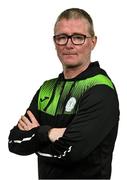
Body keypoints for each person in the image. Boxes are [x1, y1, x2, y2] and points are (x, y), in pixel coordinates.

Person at [8, 8, 119, 179]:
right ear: (55, 42)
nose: (69, 44)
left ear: (93, 42)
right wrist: (50, 134)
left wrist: (35, 137)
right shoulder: (47, 88)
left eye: (78, 37)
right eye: (62, 37)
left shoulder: (101, 89)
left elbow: (70, 152)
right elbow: (14, 142)